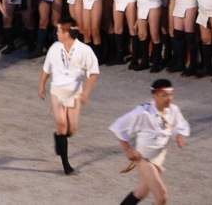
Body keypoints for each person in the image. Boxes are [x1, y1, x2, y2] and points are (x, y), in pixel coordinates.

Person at [110, 79, 190, 205]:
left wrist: (179, 135)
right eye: (164, 95)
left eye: (170, 94)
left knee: (141, 192)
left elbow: (179, 124)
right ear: (155, 96)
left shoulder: (173, 110)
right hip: (144, 158)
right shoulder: (143, 112)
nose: (169, 98)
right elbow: (119, 126)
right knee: (161, 197)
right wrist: (128, 150)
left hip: (159, 156)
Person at [37, 20, 99, 175]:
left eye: (58, 31)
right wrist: (42, 85)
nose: (56, 34)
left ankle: (59, 137)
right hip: (57, 90)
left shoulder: (85, 50)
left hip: (75, 92)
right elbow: (47, 68)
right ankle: (66, 165)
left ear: (66, 33)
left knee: (72, 129)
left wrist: (86, 93)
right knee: (61, 123)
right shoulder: (54, 48)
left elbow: (93, 73)